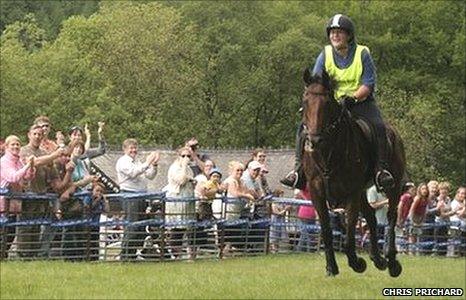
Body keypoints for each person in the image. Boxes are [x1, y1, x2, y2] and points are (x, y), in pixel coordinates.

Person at [281, 13, 394, 193]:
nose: (335, 36)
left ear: (348, 35)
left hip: (360, 102)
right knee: (303, 128)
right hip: (332, 104)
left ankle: (381, 170)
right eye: (332, 33)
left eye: (339, 32)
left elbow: (368, 83)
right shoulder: (325, 54)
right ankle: (298, 171)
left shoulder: (362, 53)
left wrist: (354, 97)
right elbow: (316, 81)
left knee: (378, 126)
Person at [17, 125, 63, 257]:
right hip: (27, 194)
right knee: (25, 227)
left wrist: (52, 163)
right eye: (35, 134)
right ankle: (23, 255)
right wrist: (54, 155)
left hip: (42, 195)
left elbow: (53, 174)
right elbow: (33, 163)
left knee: (37, 227)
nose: (37, 137)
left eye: (40, 134)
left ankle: (33, 255)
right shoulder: (23, 150)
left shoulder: (45, 153)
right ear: (29, 135)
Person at [115, 138, 159, 261]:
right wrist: (147, 162)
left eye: (135, 148)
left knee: (140, 226)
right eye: (131, 148)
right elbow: (133, 173)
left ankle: (132, 254)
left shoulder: (138, 161)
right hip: (129, 195)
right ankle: (125, 255)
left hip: (141, 194)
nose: (134, 150)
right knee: (132, 225)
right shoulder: (122, 162)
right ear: (124, 150)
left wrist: (154, 165)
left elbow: (150, 176)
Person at [0, 135, 36, 258]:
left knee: (10, 232)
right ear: (6, 146)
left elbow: (28, 177)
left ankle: (3, 256)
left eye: (17, 144)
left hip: (14, 203)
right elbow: (13, 177)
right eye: (13, 144)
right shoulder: (4, 161)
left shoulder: (18, 160)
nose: (16, 146)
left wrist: (31, 166)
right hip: (3, 202)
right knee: (3, 231)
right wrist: (27, 166)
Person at [163, 146, 197, 260]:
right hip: (177, 202)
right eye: (183, 156)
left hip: (188, 201)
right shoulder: (174, 168)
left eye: (188, 156)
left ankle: (191, 255)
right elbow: (182, 180)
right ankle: (176, 255)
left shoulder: (189, 169)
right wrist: (183, 166)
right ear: (178, 156)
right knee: (177, 229)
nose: (186, 158)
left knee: (190, 228)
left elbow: (190, 181)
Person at [408, 183, 429, 254]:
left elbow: (424, 211)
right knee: (412, 235)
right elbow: (412, 209)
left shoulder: (426, 199)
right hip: (414, 217)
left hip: (420, 217)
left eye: (426, 189)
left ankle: (418, 252)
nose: (425, 191)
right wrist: (412, 220)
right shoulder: (417, 198)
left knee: (419, 235)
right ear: (419, 190)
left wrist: (422, 220)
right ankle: (411, 252)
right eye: (423, 189)